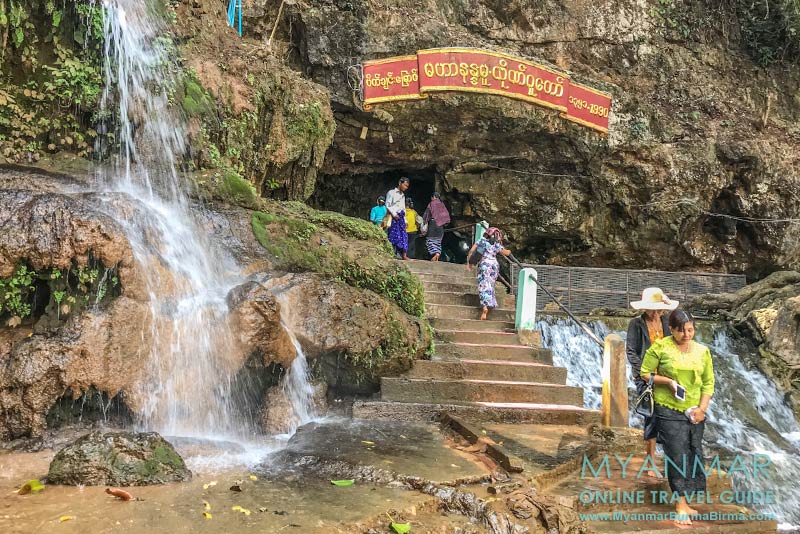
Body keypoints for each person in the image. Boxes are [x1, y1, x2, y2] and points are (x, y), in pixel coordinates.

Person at [640, 310, 714, 526]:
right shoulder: (661, 347)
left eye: (690, 329)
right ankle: (680, 504)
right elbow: (645, 372)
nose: (686, 334)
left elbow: (708, 383)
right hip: (668, 409)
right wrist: (668, 381)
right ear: (670, 329)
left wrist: (702, 408)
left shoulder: (703, 351)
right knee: (677, 453)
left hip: (694, 410)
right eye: (680, 330)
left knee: (693, 452)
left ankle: (686, 500)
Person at [626, 287, 677, 471]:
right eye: (652, 309)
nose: (656, 313)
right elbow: (631, 351)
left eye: (659, 309)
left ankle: (669, 460)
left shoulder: (666, 321)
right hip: (645, 378)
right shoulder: (636, 324)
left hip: (666, 375)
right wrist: (643, 373)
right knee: (652, 418)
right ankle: (650, 463)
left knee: (670, 415)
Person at [466, 227, 510, 320]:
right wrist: (509, 251)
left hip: (484, 264)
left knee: (483, 284)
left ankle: (485, 307)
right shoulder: (496, 244)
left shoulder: (481, 241)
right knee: (490, 284)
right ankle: (491, 303)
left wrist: (469, 263)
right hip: (494, 266)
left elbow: (472, 251)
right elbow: (505, 253)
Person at [385, 177, 410, 260]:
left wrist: (405, 220)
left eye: (407, 186)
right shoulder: (391, 193)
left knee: (404, 236)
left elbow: (403, 208)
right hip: (394, 217)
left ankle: (404, 255)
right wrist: (394, 214)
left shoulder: (403, 195)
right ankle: (392, 253)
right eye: (405, 185)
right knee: (393, 235)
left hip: (401, 217)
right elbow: (388, 204)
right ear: (400, 183)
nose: (405, 187)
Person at [422, 192, 450, 261]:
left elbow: (426, 216)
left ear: (433, 197)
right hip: (440, 227)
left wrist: (424, 224)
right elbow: (447, 220)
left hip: (433, 225)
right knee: (438, 242)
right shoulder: (442, 205)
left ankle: (436, 254)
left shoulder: (431, 204)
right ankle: (437, 254)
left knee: (430, 241)